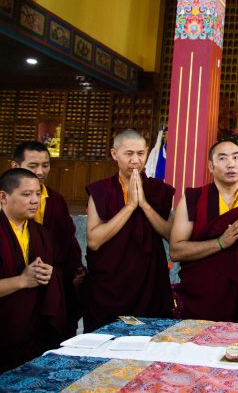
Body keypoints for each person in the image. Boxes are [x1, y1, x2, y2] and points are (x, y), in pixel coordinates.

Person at [170, 140, 238, 323]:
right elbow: (176, 251)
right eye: (223, 158)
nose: (231, 164)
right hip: (201, 295)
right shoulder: (193, 199)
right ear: (211, 166)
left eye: (236, 158)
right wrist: (220, 242)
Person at [83, 129, 174, 331]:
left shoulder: (158, 190)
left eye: (140, 153)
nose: (135, 160)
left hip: (149, 284)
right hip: (110, 286)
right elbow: (94, 240)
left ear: (147, 152)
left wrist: (144, 204)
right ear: (114, 154)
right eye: (128, 153)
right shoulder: (101, 191)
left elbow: (170, 235)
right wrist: (130, 206)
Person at [11, 141, 85, 339]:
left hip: (52, 278)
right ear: (15, 166)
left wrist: (75, 268)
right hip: (14, 281)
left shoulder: (56, 199)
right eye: (33, 166)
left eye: (45, 165)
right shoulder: (7, 199)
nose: (41, 171)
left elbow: (67, 239)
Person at [0, 168, 65, 372]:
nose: (35, 200)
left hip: (33, 335)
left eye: (38, 193)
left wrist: (49, 274)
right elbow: (25, 280)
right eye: (26, 194)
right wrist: (21, 281)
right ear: (3, 197)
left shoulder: (40, 233)